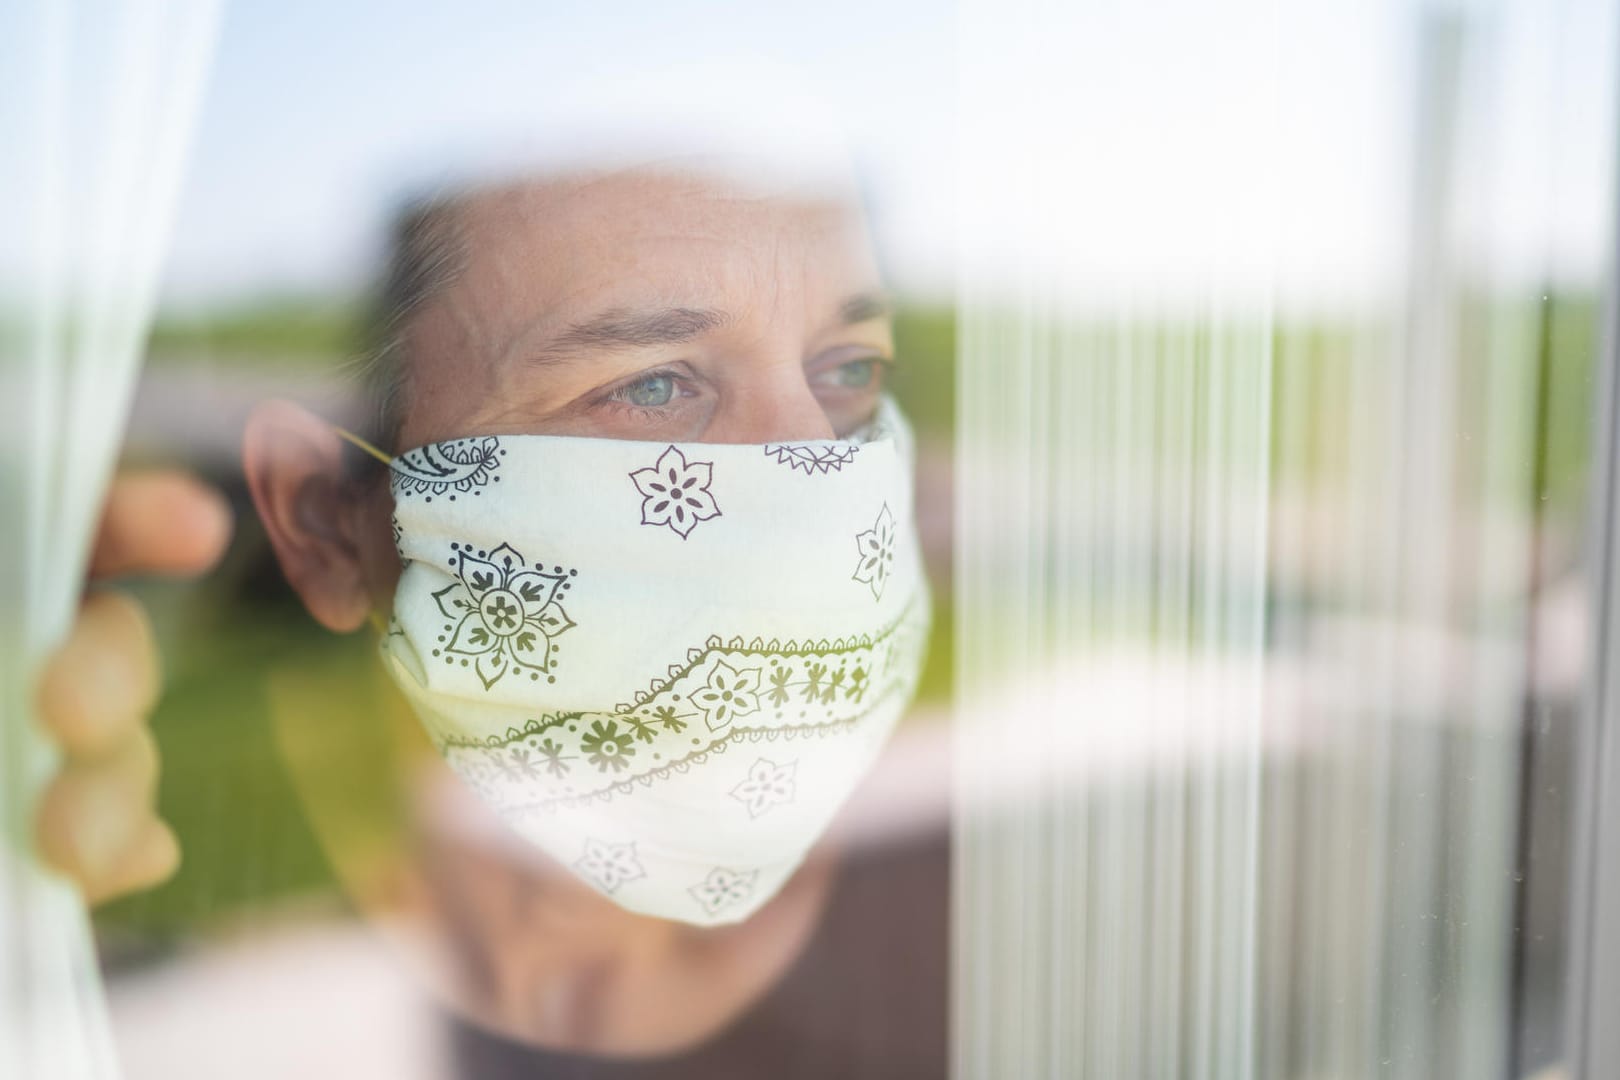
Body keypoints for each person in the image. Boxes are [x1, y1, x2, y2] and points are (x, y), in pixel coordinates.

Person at [34, 163, 947, 1076]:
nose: (818, 472)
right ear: (325, 523)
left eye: (847, 369)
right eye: (656, 388)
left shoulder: (952, 930)